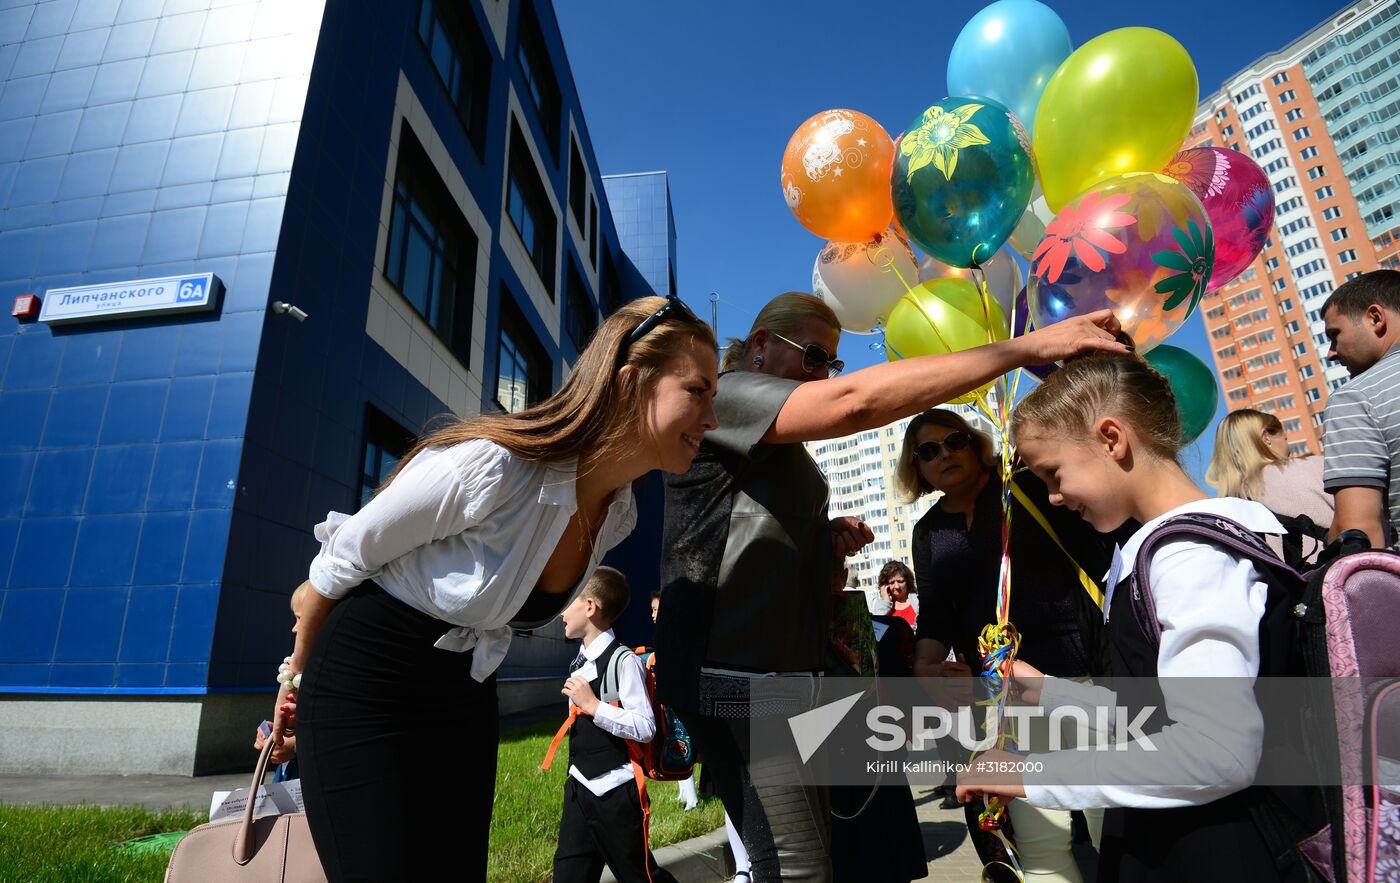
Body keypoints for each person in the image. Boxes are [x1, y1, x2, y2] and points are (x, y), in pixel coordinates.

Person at [655, 291, 1129, 881]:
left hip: (773, 671)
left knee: (808, 857)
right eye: (811, 356)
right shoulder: (728, 394)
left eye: (829, 363)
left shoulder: (767, 438)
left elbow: (740, 532)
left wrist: (821, 537)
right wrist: (1026, 348)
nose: (822, 373)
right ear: (758, 346)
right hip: (734, 672)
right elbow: (855, 404)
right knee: (795, 862)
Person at [270, 295, 719, 882]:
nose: (712, 418)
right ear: (631, 383)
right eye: (698, 391)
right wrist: (294, 684)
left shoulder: (620, 512)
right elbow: (342, 558)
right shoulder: (494, 466)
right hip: (367, 683)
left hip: (465, 690)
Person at [957, 353, 1294, 883]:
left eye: (1053, 472)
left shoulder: (1188, 556)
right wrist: (1049, 692)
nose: (1053, 496)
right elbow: (1161, 713)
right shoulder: (1215, 537)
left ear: (1112, 438)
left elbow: (1215, 752)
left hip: (1215, 852)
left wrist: (1027, 774)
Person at [899, 407, 1114, 881]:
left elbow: (1097, 544)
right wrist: (927, 668)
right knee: (1040, 840)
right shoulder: (928, 531)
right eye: (928, 451)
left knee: (1110, 823)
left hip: (1075, 673)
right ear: (917, 469)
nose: (945, 455)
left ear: (975, 443)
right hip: (1000, 698)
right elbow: (934, 613)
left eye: (954, 441)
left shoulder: (1030, 488)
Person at [552, 567, 676, 883]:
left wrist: (594, 707)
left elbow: (645, 726)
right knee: (569, 874)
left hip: (615, 794)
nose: (562, 612)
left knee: (641, 876)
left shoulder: (624, 661)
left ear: (591, 607)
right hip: (579, 788)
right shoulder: (579, 662)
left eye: (569, 602)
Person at [1319, 269, 1400, 550]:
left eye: (1334, 334)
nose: (1331, 352)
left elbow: (1358, 530)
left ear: (1375, 318)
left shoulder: (1357, 397)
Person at [1206, 409, 1333, 564]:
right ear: (1266, 438)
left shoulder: (1227, 513)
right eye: (1282, 435)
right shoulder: (1317, 466)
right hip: (1344, 572)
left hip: (1293, 584)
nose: (1286, 438)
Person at [254, 582, 310, 781]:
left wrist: (295, 745)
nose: (294, 628)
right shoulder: (295, 668)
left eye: (300, 619)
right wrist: (273, 735)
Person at [876, 561, 918, 632]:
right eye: (892, 582)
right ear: (885, 585)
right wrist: (885, 602)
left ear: (907, 582)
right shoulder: (879, 606)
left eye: (900, 581)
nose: (897, 586)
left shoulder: (918, 601)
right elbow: (876, 629)